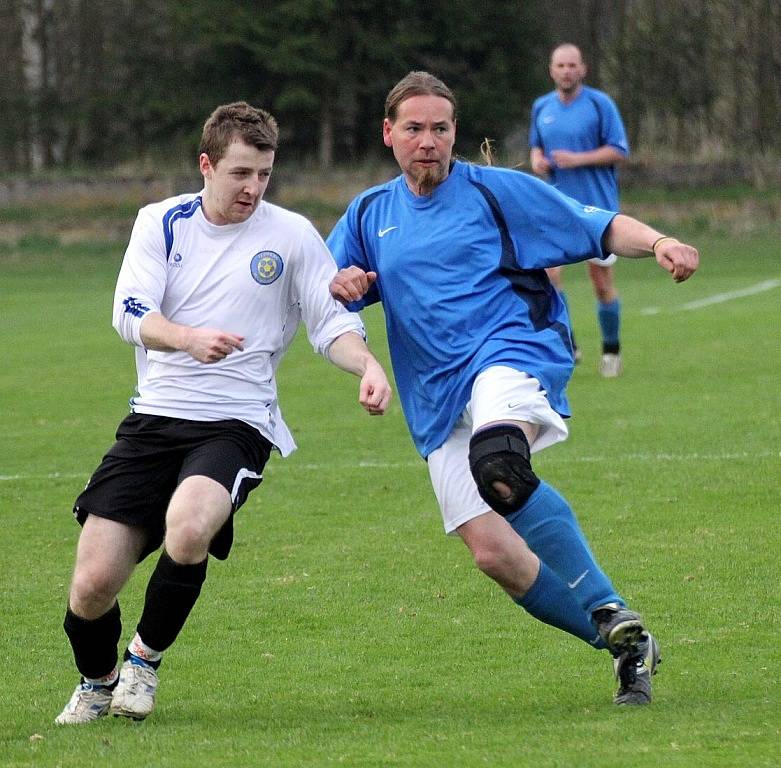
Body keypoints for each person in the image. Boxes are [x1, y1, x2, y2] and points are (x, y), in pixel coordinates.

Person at [327, 71, 698, 706]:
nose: (428, 141)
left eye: (440, 128)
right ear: (388, 134)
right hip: (435, 395)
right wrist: (347, 289)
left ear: (454, 134)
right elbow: (325, 295)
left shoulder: (497, 192)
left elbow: (597, 225)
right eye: (413, 128)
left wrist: (659, 241)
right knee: (496, 556)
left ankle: (605, 603)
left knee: (499, 460)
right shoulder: (368, 214)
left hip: (512, 353)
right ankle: (627, 643)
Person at [55, 102, 392, 725]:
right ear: (206, 165)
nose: (253, 188)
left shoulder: (290, 235)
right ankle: (97, 681)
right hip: (154, 418)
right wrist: (187, 338)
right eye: (241, 173)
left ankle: (143, 665)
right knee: (92, 584)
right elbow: (128, 312)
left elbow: (331, 323)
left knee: (190, 524)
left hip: (238, 422)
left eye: (264, 173)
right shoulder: (161, 223)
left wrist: (367, 365)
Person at [529, 43, 629, 377]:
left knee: (600, 282)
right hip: (557, 208)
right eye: (560, 65)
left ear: (582, 69)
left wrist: (579, 159)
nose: (566, 71)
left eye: (573, 65)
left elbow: (619, 150)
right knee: (548, 276)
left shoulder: (601, 105)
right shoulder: (541, 106)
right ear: (551, 70)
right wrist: (538, 161)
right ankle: (569, 345)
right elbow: (536, 149)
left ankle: (611, 352)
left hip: (597, 208)